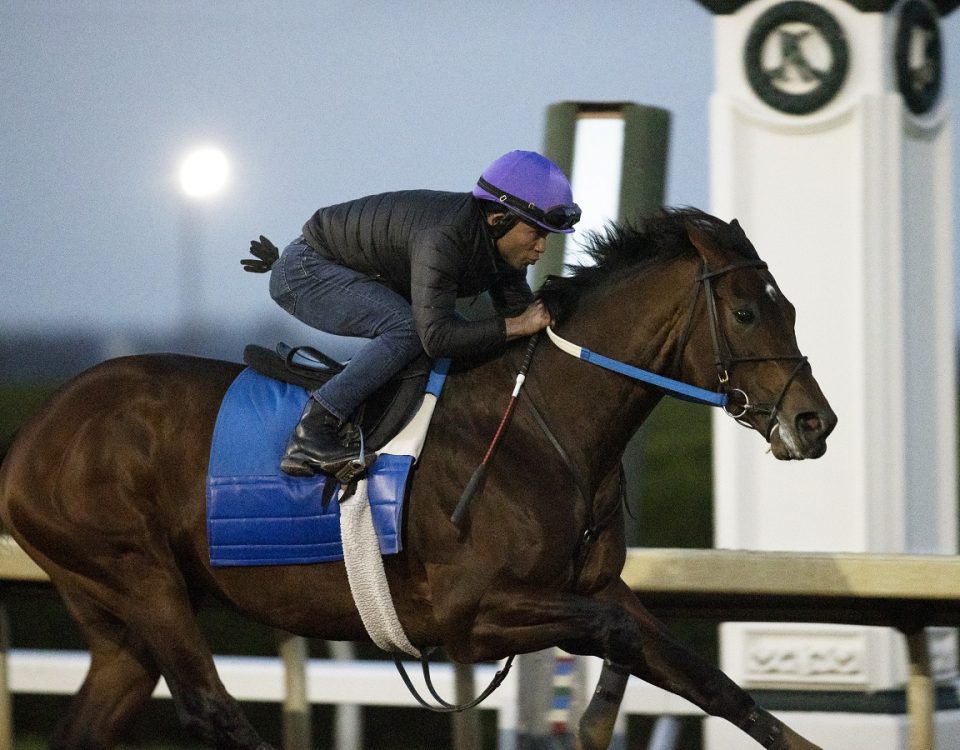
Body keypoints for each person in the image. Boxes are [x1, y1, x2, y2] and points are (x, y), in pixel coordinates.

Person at [261, 150, 581, 477]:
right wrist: (518, 324)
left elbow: (523, 326)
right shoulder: (444, 237)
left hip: (351, 270)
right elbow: (438, 338)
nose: (542, 247)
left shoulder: (497, 249)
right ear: (498, 219)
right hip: (305, 270)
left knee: (467, 335)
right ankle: (312, 432)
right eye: (536, 233)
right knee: (408, 330)